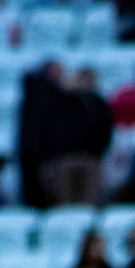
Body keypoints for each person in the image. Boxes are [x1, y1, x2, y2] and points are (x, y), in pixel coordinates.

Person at [20, 62, 114, 207]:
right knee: (69, 207)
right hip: (67, 159)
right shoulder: (60, 100)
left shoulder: (94, 101)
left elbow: (106, 128)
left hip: (86, 159)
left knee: (84, 206)